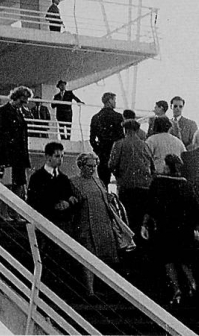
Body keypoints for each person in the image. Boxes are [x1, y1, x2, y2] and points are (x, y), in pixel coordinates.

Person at [141, 154, 199, 306]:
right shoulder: (186, 185)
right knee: (184, 259)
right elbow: (194, 208)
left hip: (164, 227)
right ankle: (193, 284)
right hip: (184, 229)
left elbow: (150, 206)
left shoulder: (158, 183)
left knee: (168, 260)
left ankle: (176, 290)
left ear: (166, 166)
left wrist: (145, 225)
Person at [70, 153, 120, 296]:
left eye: (94, 166)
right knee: (89, 255)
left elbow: (104, 198)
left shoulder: (98, 181)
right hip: (85, 222)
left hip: (102, 222)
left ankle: (99, 289)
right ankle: (90, 291)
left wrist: (109, 197)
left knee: (103, 256)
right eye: (89, 166)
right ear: (81, 166)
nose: (92, 169)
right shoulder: (73, 181)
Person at [108, 119, 154, 245]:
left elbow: (111, 165)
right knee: (141, 220)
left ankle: (131, 247)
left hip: (127, 187)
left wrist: (119, 175)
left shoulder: (119, 144)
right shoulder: (145, 145)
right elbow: (152, 167)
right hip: (144, 188)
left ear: (125, 130)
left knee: (128, 219)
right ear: (137, 130)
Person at [0, 86, 33, 201]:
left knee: (19, 183)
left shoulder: (18, 113)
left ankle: (14, 212)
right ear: (17, 97)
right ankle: (4, 211)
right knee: (7, 184)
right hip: (7, 155)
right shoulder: (3, 112)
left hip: (18, 156)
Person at [27, 142, 76, 231]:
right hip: (44, 224)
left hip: (63, 224)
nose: (60, 159)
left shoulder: (64, 178)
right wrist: (53, 205)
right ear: (48, 156)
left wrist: (68, 203)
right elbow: (33, 201)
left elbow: (69, 196)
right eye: (57, 156)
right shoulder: (37, 177)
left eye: (62, 156)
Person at [89, 92, 124, 187]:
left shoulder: (96, 117)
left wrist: (98, 150)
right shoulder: (118, 116)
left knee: (103, 181)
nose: (115, 102)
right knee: (120, 181)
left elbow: (92, 138)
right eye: (114, 100)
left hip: (103, 151)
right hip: (115, 150)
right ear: (109, 101)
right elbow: (121, 137)